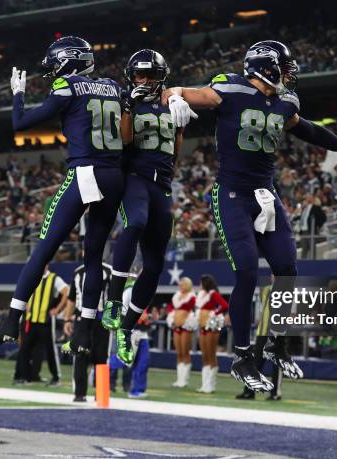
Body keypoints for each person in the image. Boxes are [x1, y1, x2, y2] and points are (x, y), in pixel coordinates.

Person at [163, 40, 337, 390]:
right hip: (232, 194)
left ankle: (276, 344)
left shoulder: (285, 102)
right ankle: (241, 356)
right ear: (266, 68)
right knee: (248, 272)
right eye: (284, 67)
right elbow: (175, 92)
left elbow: (309, 130)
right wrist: (174, 97)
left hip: (266, 194)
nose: (289, 74)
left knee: (286, 270)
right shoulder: (229, 87)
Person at [0, 36, 125, 357]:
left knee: (45, 248)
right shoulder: (113, 87)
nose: (51, 69)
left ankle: (12, 319)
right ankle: (84, 330)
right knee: (94, 256)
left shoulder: (68, 87)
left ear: (70, 61)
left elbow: (20, 123)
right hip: (114, 176)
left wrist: (18, 95)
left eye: (55, 62)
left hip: (85, 172)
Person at [93, 49, 186, 366]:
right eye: (138, 75)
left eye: (148, 75)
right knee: (135, 223)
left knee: (156, 266)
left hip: (161, 185)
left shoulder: (172, 101)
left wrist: (172, 169)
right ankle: (114, 299)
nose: (142, 80)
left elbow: (177, 142)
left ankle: (126, 329)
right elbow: (125, 139)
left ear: (161, 76)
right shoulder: (125, 99)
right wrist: (129, 107)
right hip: (135, 176)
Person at [63, 261, 112, 401]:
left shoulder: (109, 271)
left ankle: (101, 395)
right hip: (80, 319)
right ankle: (79, 394)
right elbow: (71, 298)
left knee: (101, 357)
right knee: (80, 356)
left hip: (101, 319)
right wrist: (67, 319)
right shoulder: (78, 272)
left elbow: (116, 297)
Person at [14, 265, 68, 385]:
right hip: (31, 320)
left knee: (50, 350)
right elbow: (23, 292)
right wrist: (26, 304)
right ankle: (23, 377)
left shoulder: (54, 279)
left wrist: (57, 309)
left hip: (46, 321)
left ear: (47, 265)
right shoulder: (31, 277)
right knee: (24, 349)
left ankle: (56, 377)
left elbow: (66, 292)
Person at [195, 274, 228, 393]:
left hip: (212, 326)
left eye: (200, 283)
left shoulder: (213, 293)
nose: (199, 285)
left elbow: (225, 305)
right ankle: (204, 385)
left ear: (205, 283)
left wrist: (214, 313)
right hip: (203, 326)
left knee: (211, 355)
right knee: (204, 356)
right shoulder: (201, 295)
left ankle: (211, 385)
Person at [167, 276, 196, 388]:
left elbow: (193, 307)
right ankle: (179, 379)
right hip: (176, 326)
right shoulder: (177, 296)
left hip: (186, 326)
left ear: (187, 285)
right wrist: (173, 316)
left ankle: (185, 380)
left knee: (185, 352)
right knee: (179, 353)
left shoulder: (192, 296)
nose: (180, 286)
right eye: (180, 284)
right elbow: (169, 308)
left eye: (182, 284)